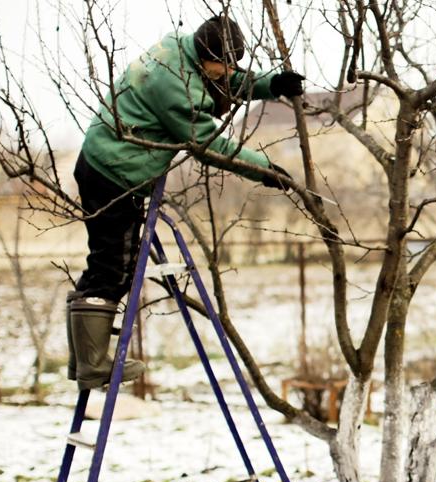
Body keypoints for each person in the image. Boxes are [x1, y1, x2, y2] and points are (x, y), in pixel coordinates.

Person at [67, 15, 305, 389]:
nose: (228, 72)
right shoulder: (175, 87)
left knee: (106, 262)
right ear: (205, 54)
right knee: (113, 267)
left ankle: (82, 359)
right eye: (223, 64)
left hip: (106, 163)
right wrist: (264, 170)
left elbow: (223, 82)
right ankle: (93, 365)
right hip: (114, 173)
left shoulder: (183, 48)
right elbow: (209, 145)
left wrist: (271, 84)